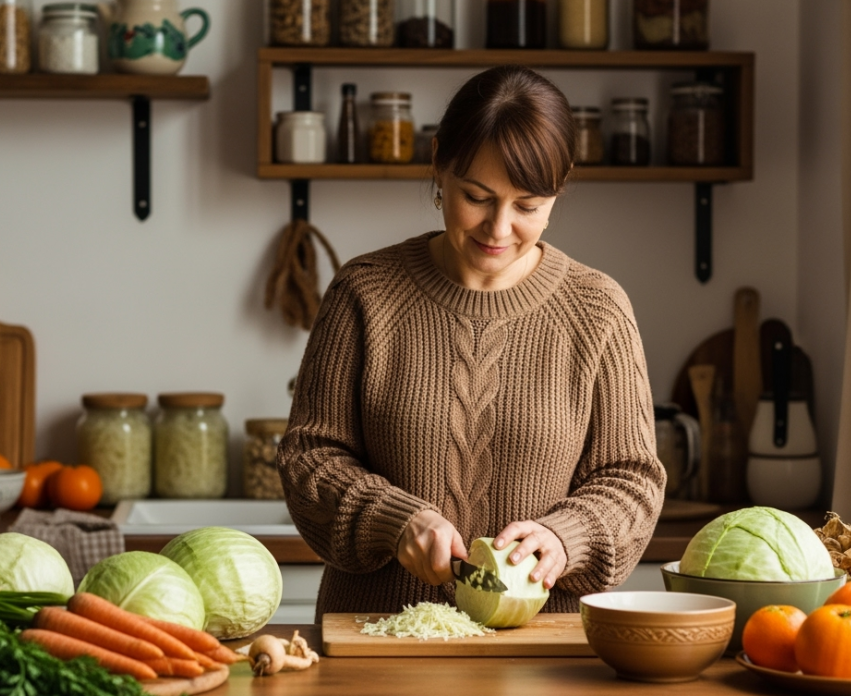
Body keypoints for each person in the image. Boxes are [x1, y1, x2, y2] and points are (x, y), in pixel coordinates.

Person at [277, 65, 666, 618]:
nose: (499, 229)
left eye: (528, 206)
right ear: (439, 163)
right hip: (378, 632)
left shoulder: (598, 309)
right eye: (477, 197)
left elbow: (633, 480)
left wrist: (565, 537)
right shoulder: (364, 292)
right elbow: (308, 458)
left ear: (559, 188)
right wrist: (393, 520)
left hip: (544, 648)